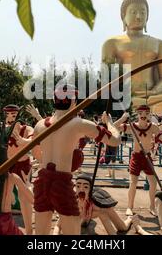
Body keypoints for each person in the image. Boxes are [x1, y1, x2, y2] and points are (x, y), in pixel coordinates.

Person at [32, 84, 121, 235]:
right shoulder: (79, 124)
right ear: (74, 102)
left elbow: (36, 153)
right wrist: (110, 124)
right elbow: (115, 140)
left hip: (42, 179)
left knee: (40, 233)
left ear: (54, 99)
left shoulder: (40, 125)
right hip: (61, 182)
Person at [101, 0, 162, 108]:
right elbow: (107, 80)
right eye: (133, 12)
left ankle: (147, 105)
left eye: (143, 12)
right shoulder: (112, 43)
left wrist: (153, 92)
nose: (139, 16)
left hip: (154, 96)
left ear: (148, 16)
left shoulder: (160, 44)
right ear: (123, 16)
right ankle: (142, 106)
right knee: (128, 103)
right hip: (125, 97)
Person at [114, 105, 162, 216]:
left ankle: (152, 206)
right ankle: (129, 206)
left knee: (153, 183)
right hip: (136, 157)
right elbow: (113, 127)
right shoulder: (132, 126)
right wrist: (123, 118)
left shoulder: (153, 127)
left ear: (149, 114)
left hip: (147, 157)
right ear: (137, 114)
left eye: (146, 113)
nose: (143, 115)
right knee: (133, 183)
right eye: (140, 113)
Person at [54, 173, 139, 235]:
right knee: (82, 224)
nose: (81, 189)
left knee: (122, 228)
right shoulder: (71, 204)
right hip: (82, 216)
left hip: (95, 210)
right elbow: (57, 226)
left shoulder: (99, 208)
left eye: (86, 187)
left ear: (90, 189)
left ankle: (130, 218)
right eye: (78, 186)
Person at [3, 104, 35, 234]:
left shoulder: (26, 129)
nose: (10, 118)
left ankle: (29, 230)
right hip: (6, 165)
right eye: (7, 115)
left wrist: (23, 141)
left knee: (24, 197)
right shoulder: (2, 129)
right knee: (4, 197)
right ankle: (4, 228)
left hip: (22, 165)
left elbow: (36, 139)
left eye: (13, 115)